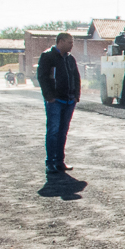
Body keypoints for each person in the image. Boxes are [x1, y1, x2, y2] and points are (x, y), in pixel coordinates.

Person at [36, 32, 81, 174]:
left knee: (63, 132)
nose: (72, 45)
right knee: (53, 131)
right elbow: (42, 77)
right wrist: (49, 97)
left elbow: (76, 77)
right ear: (60, 41)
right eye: (69, 42)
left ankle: (60, 162)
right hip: (55, 101)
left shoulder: (70, 59)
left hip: (69, 101)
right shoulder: (47, 56)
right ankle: (50, 162)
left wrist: (76, 96)